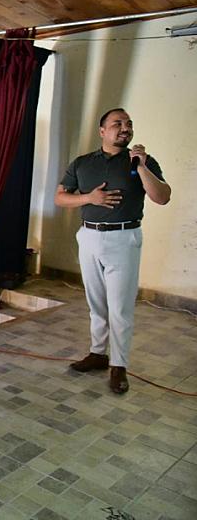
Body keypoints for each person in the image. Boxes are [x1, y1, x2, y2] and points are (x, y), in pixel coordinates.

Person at [55, 108, 171, 395]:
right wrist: (89, 198)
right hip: (89, 236)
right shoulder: (83, 163)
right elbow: (60, 197)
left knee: (120, 307)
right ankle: (98, 353)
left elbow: (163, 197)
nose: (125, 128)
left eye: (129, 124)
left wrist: (141, 166)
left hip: (125, 238)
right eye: (117, 123)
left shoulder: (141, 161)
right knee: (96, 303)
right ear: (102, 131)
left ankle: (119, 365)